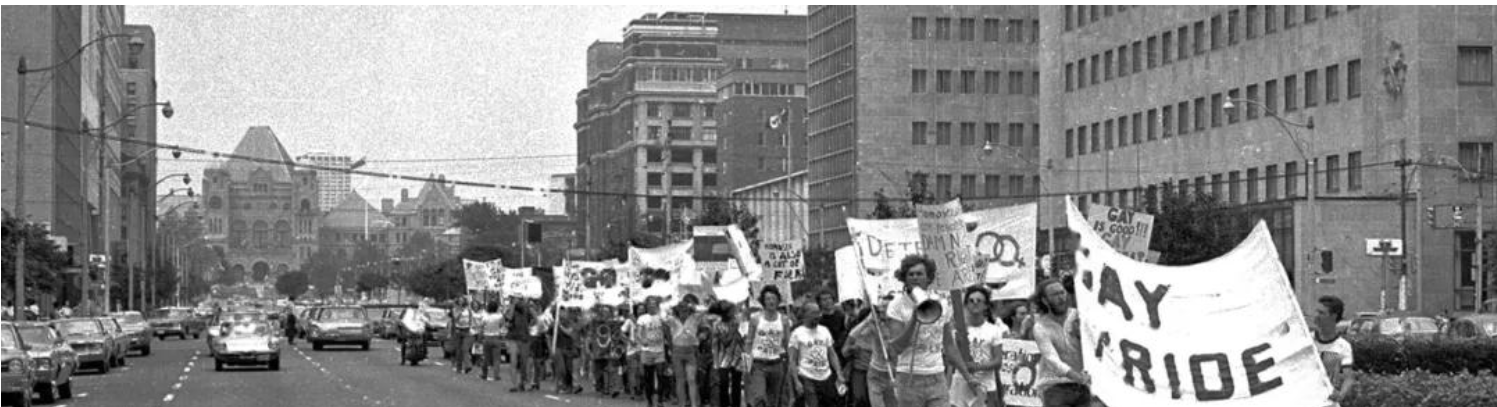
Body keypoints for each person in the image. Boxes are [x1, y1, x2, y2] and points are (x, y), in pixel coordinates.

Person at [885, 255, 981, 407]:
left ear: (928, 278)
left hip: (937, 376)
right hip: (909, 378)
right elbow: (896, 348)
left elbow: (949, 346)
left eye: (919, 274)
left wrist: (968, 377)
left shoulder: (941, 304)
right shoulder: (897, 305)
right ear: (904, 278)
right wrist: (914, 319)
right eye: (911, 274)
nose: (915, 277)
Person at [1031, 278, 1088, 407]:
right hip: (1054, 384)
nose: (1061, 298)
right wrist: (1076, 376)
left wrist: (1083, 335)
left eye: (1062, 292)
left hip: (1083, 384)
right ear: (1045, 300)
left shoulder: (1080, 316)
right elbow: (1052, 360)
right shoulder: (1040, 327)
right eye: (1055, 295)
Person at [961, 286, 1009, 407]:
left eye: (979, 300)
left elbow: (997, 362)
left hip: (986, 386)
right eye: (971, 300)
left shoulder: (994, 330)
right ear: (966, 305)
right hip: (961, 387)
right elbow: (950, 362)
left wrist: (976, 366)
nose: (975, 303)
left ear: (986, 305)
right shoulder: (958, 330)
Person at [789, 301, 843, 407]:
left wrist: (839, 373)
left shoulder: (824, 331)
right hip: (807, 376)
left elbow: (832, 354)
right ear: (805, 314)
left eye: (818, 312)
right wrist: (796, 381)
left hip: (826, 376)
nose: (817, 316)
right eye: (814, 313)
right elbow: (792, 359)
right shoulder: (797, 333)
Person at [746, 286, 792, 407]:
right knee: (759, 398)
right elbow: (749, 342)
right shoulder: (755, 319)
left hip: (777, 364)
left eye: (773, 298)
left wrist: (791, 363)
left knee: (773, 400)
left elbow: (788, 343)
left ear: (778, 300)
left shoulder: (784, 320)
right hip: (758, 364)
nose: (771, 301)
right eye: (768, 299)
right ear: (763, 301)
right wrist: (746, 366)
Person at [1313, 296, 1357, 406]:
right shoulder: (1307, 342)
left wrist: (1341, 395)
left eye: (1321, 313)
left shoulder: (1343, 346)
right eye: (1316, 312)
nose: (1316, 316)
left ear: (1333, 316)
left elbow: (1349, 378)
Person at [666, 294, 706, 407]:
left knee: (691, 379)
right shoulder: (672, 319)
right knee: (680, 380)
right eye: (681, 309)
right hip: (677, 351)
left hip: (690, 351)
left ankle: (694, 404)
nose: (683, 311)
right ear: (677, 310)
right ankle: (682, 404)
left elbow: (705, 309)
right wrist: (672, 304)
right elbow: (663, 314)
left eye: (686, 309)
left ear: (689, 309)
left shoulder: (694, 318)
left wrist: (693, 306)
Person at [633, 296, 670, 407]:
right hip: (647, 351)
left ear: (657, 306)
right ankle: (650, 401)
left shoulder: (661, 317)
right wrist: (642, 340)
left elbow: (667, 332)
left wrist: (670, 345)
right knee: (648, 378)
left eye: (654, 304)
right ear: (647, 306)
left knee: (660, 375)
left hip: (659, 351)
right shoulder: (642, 318)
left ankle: (660, 400)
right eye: (649, 304)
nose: (652, 306)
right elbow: (638, 333)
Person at [707, 300, 744, 407]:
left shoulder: (738, 322)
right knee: (723, 383)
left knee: (736, 384)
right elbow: (722, 342)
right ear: (726, 312)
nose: (734, 312)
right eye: (732, 310)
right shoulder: (717, 325)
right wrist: (715, 362)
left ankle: (736, 404)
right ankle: (724, 404)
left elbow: (743, 341)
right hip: (723, 358)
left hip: (737, 357)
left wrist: (747, 360)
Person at [587, 304, 626, 397]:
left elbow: (618, 333)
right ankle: (601, 388)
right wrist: (589, 349)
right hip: (597, 351)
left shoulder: (614, 323)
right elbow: (590, 334)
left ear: (610, 313)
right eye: (603, 311)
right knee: (599, 372)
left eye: (607, 311)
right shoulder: (595, 322)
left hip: (609, 350)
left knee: (611, 370)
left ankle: (612, 389)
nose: (605, 313)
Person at [507, 299, 538, 392]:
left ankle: (524, 382)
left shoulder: (527, 308)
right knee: (513, 361)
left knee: (524, 362)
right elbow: (509, 318)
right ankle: (514, 384)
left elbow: (536, 319)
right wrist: (513, 305)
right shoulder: (511, 308)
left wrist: (529, 324)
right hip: (513, 337)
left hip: (524, 338)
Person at [477, 300, 506, 381]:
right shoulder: (500, 316)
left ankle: (484, 374)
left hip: (487, 337)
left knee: (486, 357)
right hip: (496, 337)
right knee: (496, 358)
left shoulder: (485, 317)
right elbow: (502, 325)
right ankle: (496, 375)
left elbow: (481, 328)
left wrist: (479, 339)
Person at [451, 297, 478, 374]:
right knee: (459, 350)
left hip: (466, 330)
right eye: (459, 301)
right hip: (458, 330)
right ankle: (459, 368)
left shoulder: (468, 310)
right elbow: (455, 319)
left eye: (462, 301)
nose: (461, 302)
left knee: (465, 348)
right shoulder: (455, 309)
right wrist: (460, 312)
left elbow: (471, 319)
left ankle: (468, 365)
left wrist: (471, 328)